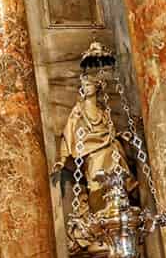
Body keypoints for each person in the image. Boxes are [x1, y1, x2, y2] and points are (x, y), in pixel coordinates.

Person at [53, 75, 133, 214]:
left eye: (89, 85)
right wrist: (62, 158)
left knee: (116, 173)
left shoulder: (103, 111)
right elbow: (68, 133)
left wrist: (120, 135)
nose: (86, 88)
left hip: (109, 148)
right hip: (91, 152)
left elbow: (109, 130)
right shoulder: (79, 110)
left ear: (97, 87)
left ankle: (116, 205)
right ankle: (99, 212)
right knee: (96, 183)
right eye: (84, 85)